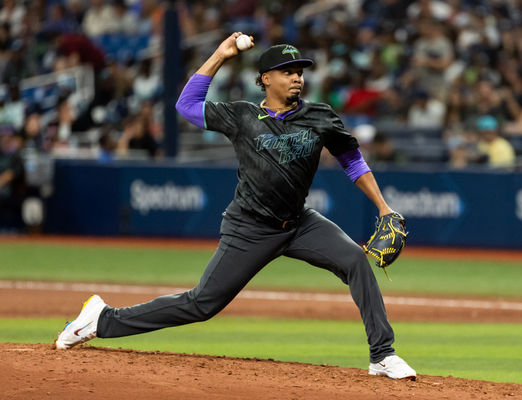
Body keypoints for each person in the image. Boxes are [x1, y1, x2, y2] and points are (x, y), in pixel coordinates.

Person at [55, 33, 416, 381]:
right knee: (201, 304)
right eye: (288, 72)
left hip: (299, 223)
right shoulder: (241, 116)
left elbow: (353, 162)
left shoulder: (320, 116)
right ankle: (101, 320)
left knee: (355, 261)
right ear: (265, 78)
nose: (297, 78)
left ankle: (382, 355)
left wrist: (383, 207)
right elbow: (186, 107)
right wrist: (221, 55)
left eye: (300, 72)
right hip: (249, 227)